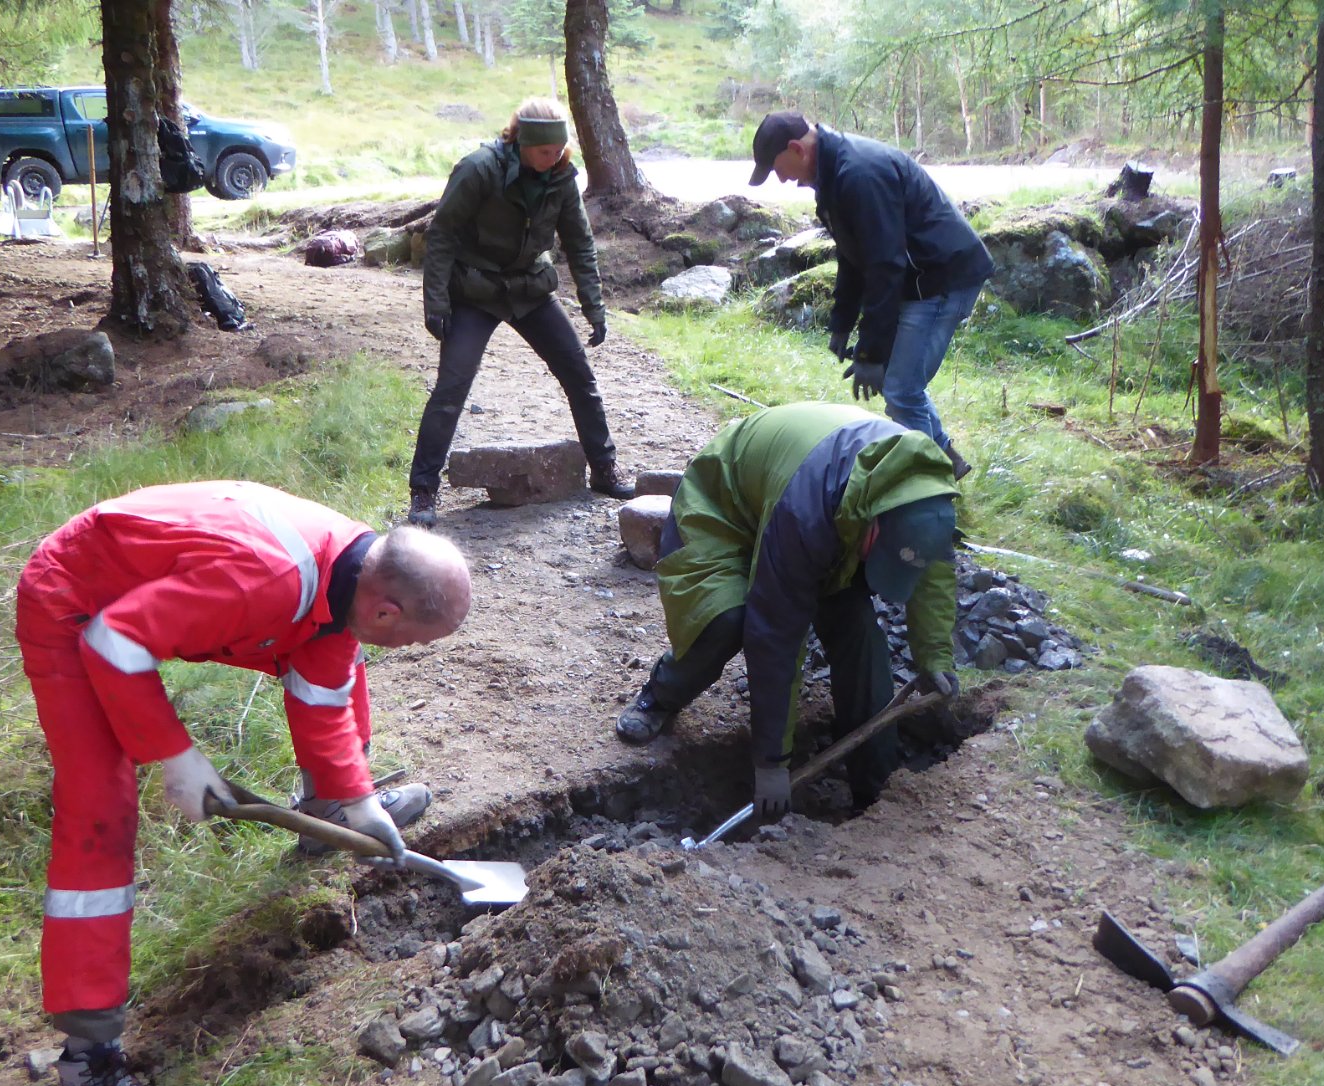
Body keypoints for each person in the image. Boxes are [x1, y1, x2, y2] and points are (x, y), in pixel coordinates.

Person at [14, 481, 472, 1086]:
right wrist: (175, 757)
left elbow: (322, 686)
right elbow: (114, 643)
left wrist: (359, 799)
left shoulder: (352, 571)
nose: (408, 648)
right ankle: (89, 1056)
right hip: (79, 602)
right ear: (385, 609)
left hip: (182, 593)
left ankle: (329, 809)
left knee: (340, 672)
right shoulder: (276, 578)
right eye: (411, 638)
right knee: (99, 810)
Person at [615, 402, 962, 814]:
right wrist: (771, 763)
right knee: (727, 619)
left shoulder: (928, 501)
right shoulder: (806, 514)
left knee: (862, 636)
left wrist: (935, 656)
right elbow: (776, 636)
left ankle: (876, 788)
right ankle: (661, 695)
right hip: (726, 510)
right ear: (873, 529)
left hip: (826, 514)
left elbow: (934, 576)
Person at [410, 96, 636, 527]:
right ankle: (423, 490)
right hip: (475, 290)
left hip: (530, 288)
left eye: (559, 151)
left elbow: (579, 242)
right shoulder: (478, 169)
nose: (554, 158)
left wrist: (594, 305)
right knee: (452, 386)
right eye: (545, 151)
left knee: (578, 373)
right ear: (522, 142)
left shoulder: (562, 177)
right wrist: (436, 301)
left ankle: (604, 470)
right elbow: (442, 235)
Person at [748, 111, 994, 479]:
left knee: (900, 390)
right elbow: (853, 255)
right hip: (918, 276)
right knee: (903, 387)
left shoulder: (859, 174)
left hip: (942, 278)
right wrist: (843, 320)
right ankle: (945, 459)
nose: (781, 179)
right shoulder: (832, 173)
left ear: (797, 149)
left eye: (777, 169)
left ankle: (927, 494)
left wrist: (871, 353)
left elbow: (885, 265)